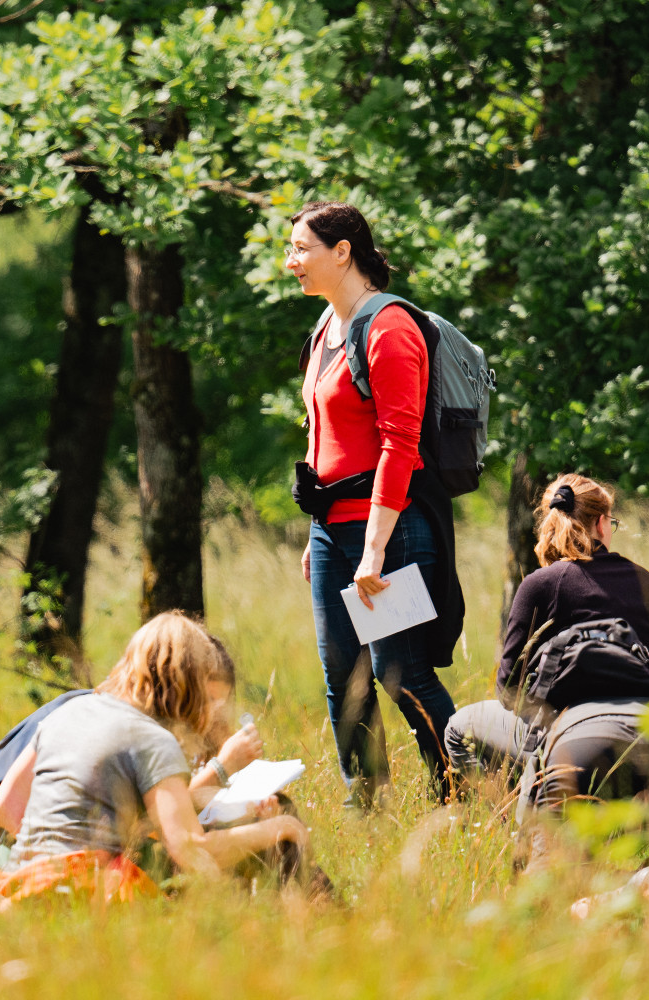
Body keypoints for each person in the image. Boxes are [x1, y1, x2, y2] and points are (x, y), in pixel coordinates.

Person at [443, 476, 649, 844]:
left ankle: (509, 820)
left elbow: (509, 691)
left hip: (569, 730)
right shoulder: (646, 581)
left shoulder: (538, 585)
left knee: (458, 728)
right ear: (602, 523)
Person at [287, 201, 460, 802]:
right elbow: (321, 435)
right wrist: (321, 533)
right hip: (334, 533)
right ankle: (369, 807)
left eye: (302, 249)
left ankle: (463, 794)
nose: (292, 263)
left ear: (343, 252)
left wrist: (373, 550)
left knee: (402, 674)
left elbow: (400, 446)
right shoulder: (325, 328)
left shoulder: (387, 327)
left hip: (389, 532)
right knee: (345, 680)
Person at [0, 613, 308, 904]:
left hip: (16, 887)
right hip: (86, 894)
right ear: (190, 681)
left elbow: (5, 810)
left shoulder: (69, 711)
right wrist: (281, 826)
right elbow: (191, 851)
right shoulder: (154, 740)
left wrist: (57, 851)